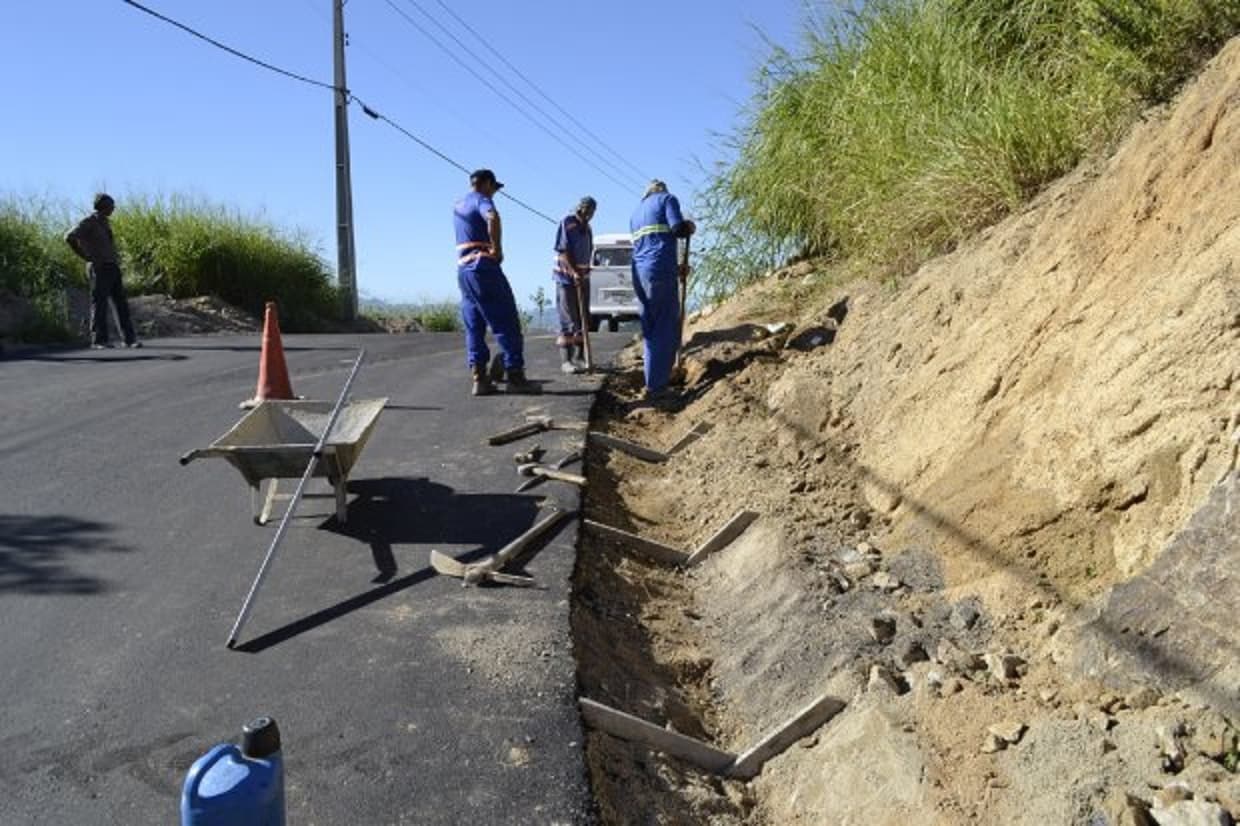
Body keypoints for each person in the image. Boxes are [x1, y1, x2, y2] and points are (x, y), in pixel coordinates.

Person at [453, 169, 539, 396]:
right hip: (483, 268)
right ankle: (515, 376)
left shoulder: (459, 205)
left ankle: (479, 379)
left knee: (474, 325)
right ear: (487, 184)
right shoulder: (482, 200)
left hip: (464, 271)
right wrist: (497, 249)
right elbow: (492, 217)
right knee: (507, 321)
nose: (494, 194)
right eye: (494, 188)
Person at [629, 179, 695, 400]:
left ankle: (654, 382)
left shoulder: (636, 213)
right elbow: (677, 229)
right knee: (665, 327)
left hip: (641, 274)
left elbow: (648, 248)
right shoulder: (668, 199)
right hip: (660, 272)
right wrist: (689, 227)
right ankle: (658, 389)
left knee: (650, 329)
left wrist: (676, 268)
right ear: (662, 190)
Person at [65, 193, 140, 349]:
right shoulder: (89, 222)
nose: (114, 208)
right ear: (102, 206)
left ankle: (129, 339)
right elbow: (69, 237)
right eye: (111, 205)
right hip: (99, 268)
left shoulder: (104, 223)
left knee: (121, 304)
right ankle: (99, 340)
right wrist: (86, 257)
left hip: (112, 266)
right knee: (100, 305)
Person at [552, 196, 596, 374]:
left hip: (583, 278)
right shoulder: (568, 223)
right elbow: (563, 251)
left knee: (582, 318)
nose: (590, 214)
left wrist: (584, 273)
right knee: (568, 318)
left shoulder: (588, 228)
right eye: (588, 210)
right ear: (581, 208)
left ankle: (580, 357)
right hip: (566, 278)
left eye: (593, 211)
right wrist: (573, 272)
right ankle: (566, 360)